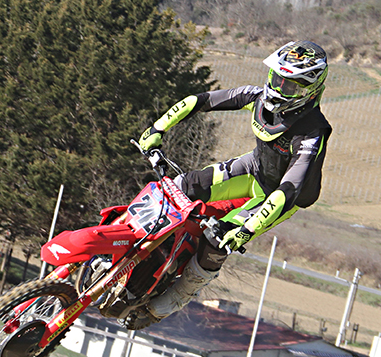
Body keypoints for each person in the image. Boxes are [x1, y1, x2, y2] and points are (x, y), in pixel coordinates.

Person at [138, 40, 332, 322]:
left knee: (219, 238)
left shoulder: (313, 131)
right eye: (276, 79)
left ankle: (179, 295)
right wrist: (157, 129)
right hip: (254, 167)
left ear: (309, 89)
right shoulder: (256, 96)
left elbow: (289, 187)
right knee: (180, 186)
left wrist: (249, 228)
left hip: (280, 196)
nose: (278, 89)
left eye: (289, 85)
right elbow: (201, 100)